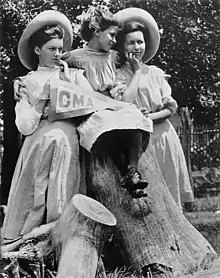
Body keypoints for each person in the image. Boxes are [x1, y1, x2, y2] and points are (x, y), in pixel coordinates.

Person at [2, 10, 91, 241]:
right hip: (40, 146)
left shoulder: (76, 76)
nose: (57, 54)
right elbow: (24, 126)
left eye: (60, 49)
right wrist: (41, 98)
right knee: (38, 197)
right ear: (37, 50)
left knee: (66, 191)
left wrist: (67, 80)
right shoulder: (28, 81)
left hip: (70, 144)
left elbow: (90, 105)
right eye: (52, 49)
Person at [113, 8, 194, 210]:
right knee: (147, 191)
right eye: (130, 42)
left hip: (162, 136)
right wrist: (137, 72)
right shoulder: (118, 75)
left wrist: (151, 117)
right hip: (137, 142)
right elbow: (125, 101)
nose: (136, 47)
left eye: (140, 42)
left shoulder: (156, 73)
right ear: (122, 46)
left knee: (169, 189)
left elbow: (170, 107)